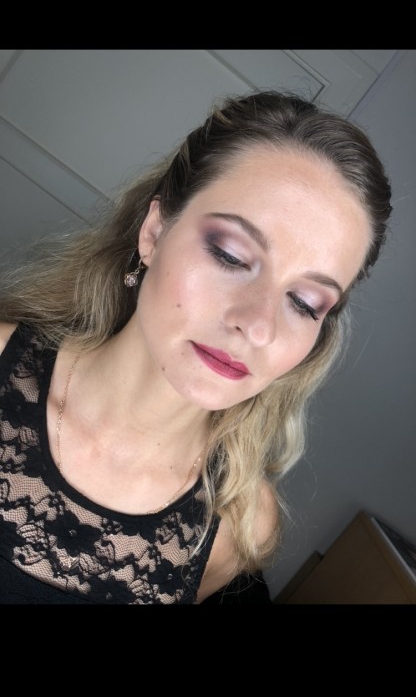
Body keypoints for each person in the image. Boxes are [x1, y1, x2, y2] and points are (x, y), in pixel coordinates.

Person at [0, 90, 392, 605]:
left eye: (305, 303)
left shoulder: (241, 525)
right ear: (154, 231)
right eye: (230, 255)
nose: (258, 325)